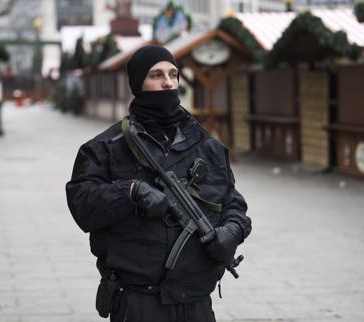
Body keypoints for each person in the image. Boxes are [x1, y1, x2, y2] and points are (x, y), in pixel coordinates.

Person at [66, 45, 251, 322]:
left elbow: (232, 202)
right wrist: (129, 192)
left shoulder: (205, 145)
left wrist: (233, 231)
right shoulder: (105, 147)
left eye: (173, 74)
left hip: (197, 302)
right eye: (156, 75)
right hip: (138, 301)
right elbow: (82, 203)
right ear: (138, 83)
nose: (167, 82)